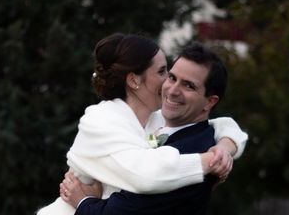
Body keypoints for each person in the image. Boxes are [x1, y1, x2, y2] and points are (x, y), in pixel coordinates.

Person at [36, 34, 247, 215]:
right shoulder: (103, 120)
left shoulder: (156, 121)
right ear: (134, 80)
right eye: (166, 74)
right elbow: (146, 174)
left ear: (210, 101)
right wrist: (210, 160)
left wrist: (224, 148)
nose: (170, 87)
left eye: (188, 85)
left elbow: (222, 124)